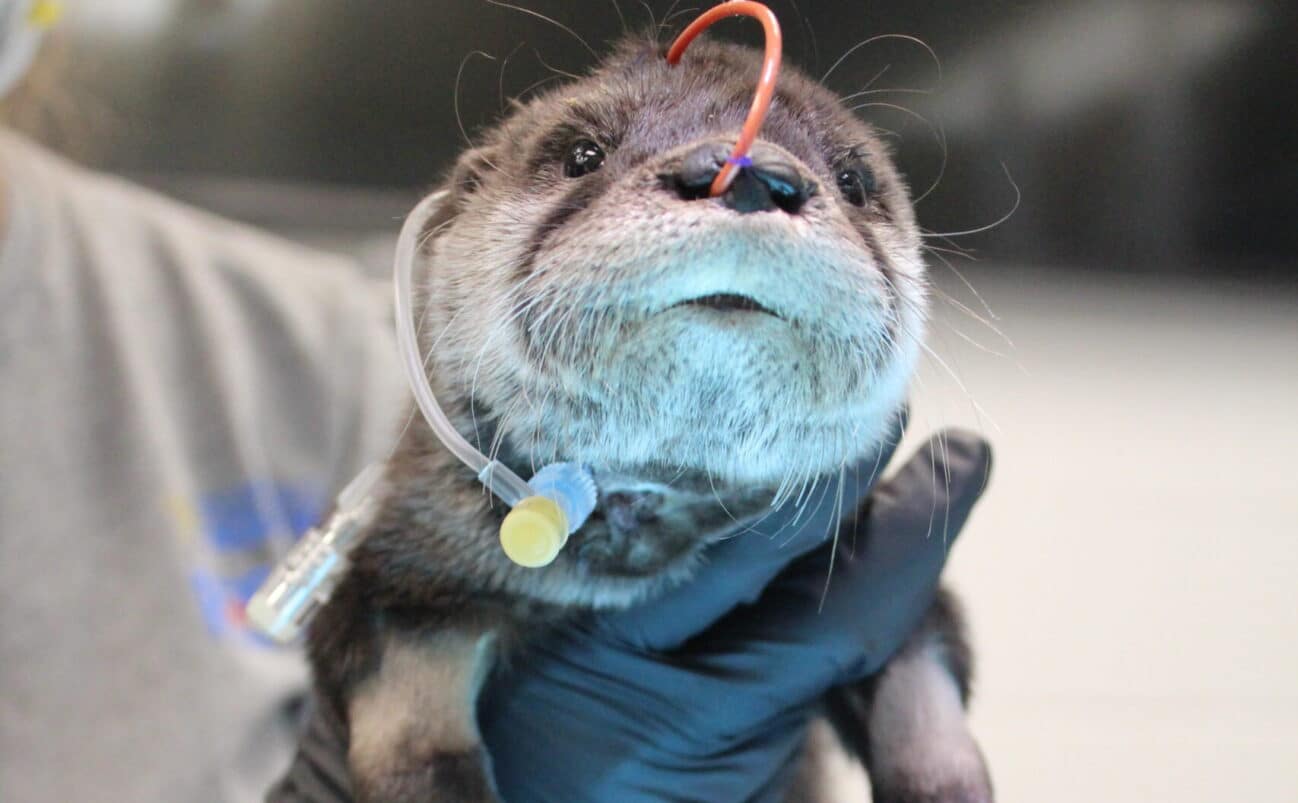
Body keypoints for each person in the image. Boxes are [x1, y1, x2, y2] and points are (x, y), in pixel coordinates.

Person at [0, 4, 991, 800]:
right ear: (453, 230)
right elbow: (402, 606)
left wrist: (922, 725)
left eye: (847, 181)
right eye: (584, 160)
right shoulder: (422, 437)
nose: (738, 185)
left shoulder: (314, 345)